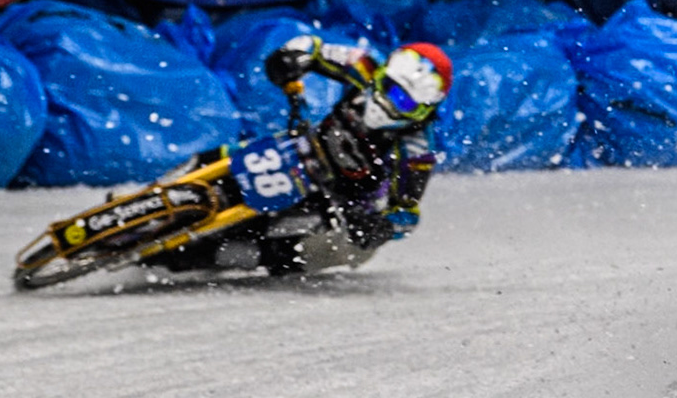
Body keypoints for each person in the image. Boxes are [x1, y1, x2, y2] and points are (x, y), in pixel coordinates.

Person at [153, 38, 453, 276]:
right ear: (382, 73)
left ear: (425, 110)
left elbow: (407, 215)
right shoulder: (363, 66)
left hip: (341, 203)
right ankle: (151, 194)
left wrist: (380, 226)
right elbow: (313, 47)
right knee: (220, 156)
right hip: (302, 149)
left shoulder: (416, 151)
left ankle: (206, 257)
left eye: (405, 102)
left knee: (324, 250)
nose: (389, 103)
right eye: (389, 88)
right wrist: (292, 59)